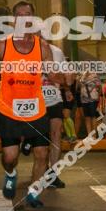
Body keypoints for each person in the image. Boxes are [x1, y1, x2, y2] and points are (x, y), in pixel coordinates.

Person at [0, 0, 62, 208]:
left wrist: (62, 78)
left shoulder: (42, 46)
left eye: (28, 14)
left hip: (36, 108)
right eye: (19, 14)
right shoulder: (4, 44)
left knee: (42, 153)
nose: (23, 18)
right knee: (10, 157)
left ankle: (34, 193)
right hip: (8, 107)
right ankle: (10, 173)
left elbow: (53, 72)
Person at [42, 43, 72, 189]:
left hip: (54, 99)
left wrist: (67, 89)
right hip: (34, 102)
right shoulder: (26, 50)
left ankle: (52, 174)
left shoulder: (57, 51)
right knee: (38, 140)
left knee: (56, 135)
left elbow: (65, 74)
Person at [78, 71, 101, 138]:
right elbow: (79, 86)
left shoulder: (95, 75)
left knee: (93, 117)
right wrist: (82, 76)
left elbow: (99, 87)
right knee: (87, 117)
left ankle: (94, 135)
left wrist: (98, 97)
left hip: (93, 99)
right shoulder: (82, 76)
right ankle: (89, 135)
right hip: (84, 100)